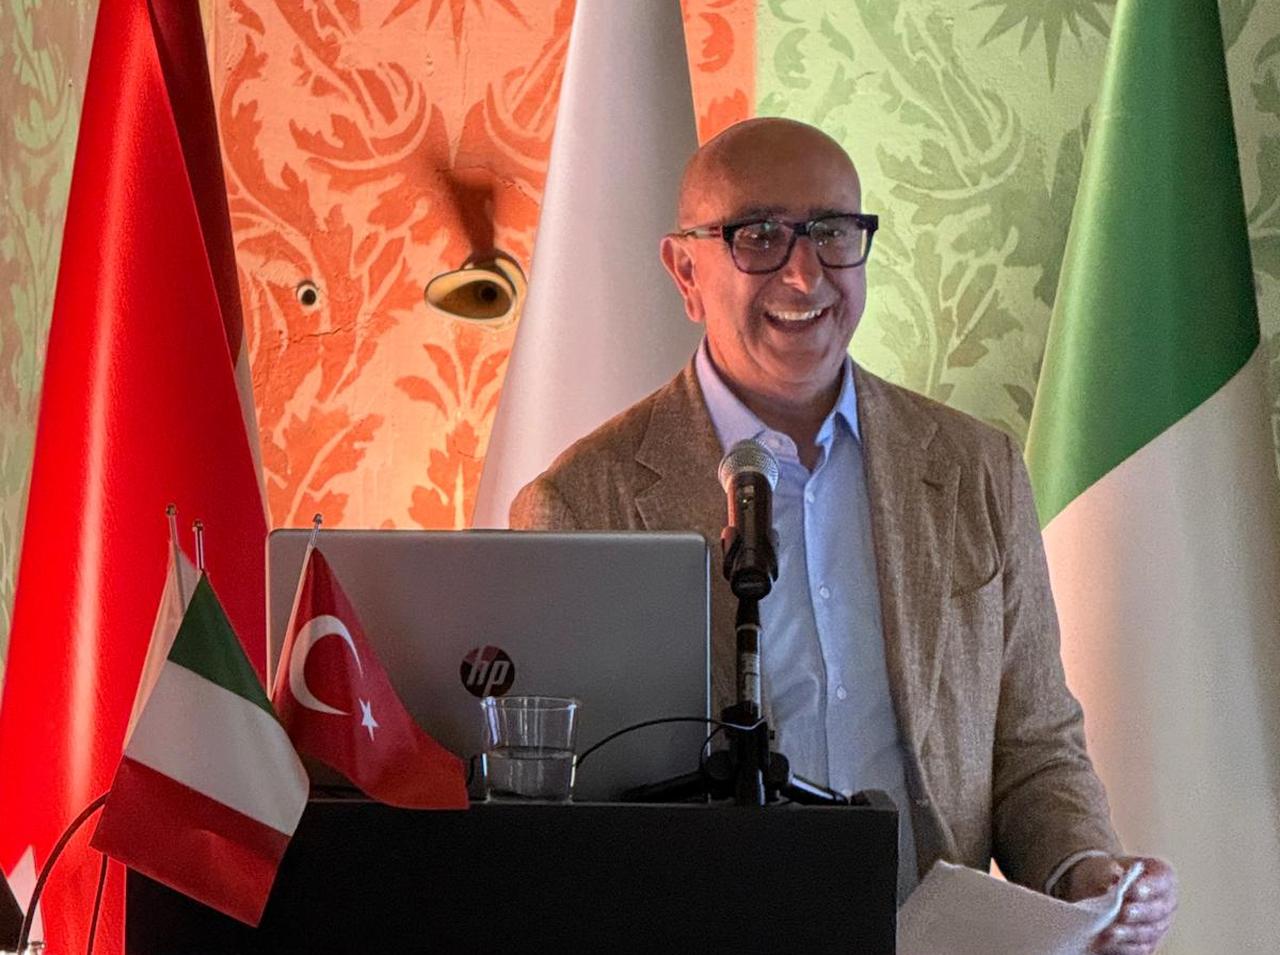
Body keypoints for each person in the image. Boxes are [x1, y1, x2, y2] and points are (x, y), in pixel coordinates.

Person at [510, 117, 1176, 953]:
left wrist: (1084, 873)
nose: (804, 271)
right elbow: (564, 815)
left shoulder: (977, 468)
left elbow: (1034, 746)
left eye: (831, 231)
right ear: (686, 270)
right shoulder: (581, 504)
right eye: (758, 235)